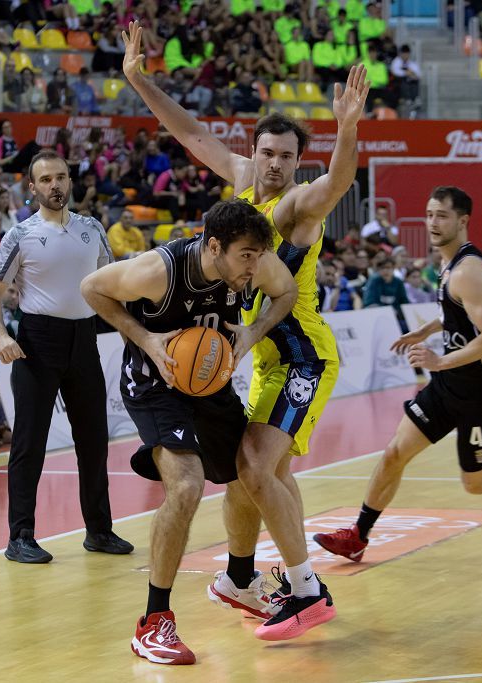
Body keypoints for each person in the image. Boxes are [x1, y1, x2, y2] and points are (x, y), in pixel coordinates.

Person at [122, 19, 369, 642]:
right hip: (260, 358)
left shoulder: (296, 206)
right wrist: (139, 80)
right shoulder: (239, 184)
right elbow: (190, 133)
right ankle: (240, 578)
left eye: (287, 156)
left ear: (297, 162)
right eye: (268, 153)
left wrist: (347, 129)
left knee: (256, 468)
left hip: (302, 354)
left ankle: (307, 591)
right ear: (253, 153)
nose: (276, 164)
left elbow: (338, 182)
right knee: (255, 472)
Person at [314, 187, 482, 562]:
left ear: (462, 221)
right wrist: (426, 330)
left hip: (481, 395)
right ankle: (358, 536)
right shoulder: (449, 265)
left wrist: (439, 361)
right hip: (448, 387)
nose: (432, 223)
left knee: (477, 483)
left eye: (441, 216)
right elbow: (456, 311)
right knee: (395, 452)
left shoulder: (468, 271)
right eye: (429, 214)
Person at [80, 199, 298, 665]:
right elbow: (92, 288)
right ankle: (152, 622)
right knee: (185, 486)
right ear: (214, 246)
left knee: (247, 473)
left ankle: (240, 581)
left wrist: (255, 330)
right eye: (245, 256)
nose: (253, 267)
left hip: (208, 383)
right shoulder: (159, 271)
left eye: (258, 256)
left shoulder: (252, 265)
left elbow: (287, 291)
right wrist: (145, 339)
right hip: (155, 386)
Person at [0, 150, 132, 565]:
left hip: (84, 339)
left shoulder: (92, 228)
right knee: (29, 443)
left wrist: (134, 334)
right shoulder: (20, 234)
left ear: (70, 181)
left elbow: (112, 285)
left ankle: (99, 531)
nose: (55, 185)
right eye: (46, 180)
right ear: (32, 187)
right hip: (37, 342)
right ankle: (20, 537)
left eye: (61, 177)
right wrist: (0, 334)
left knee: (94, 441)